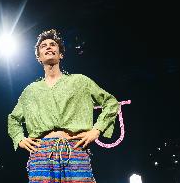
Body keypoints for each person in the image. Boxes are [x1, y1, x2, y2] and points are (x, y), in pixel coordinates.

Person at [8, 29, 120, 183]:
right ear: (39, 57)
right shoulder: (30, 91)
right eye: (43, 46)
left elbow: (111, 102)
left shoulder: (80, 81)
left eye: (53, 44)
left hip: (75, 148)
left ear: (60, 54)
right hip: (41, 153)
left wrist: (97, 130)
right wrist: (19, 138)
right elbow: (13, 119)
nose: (48, 47)